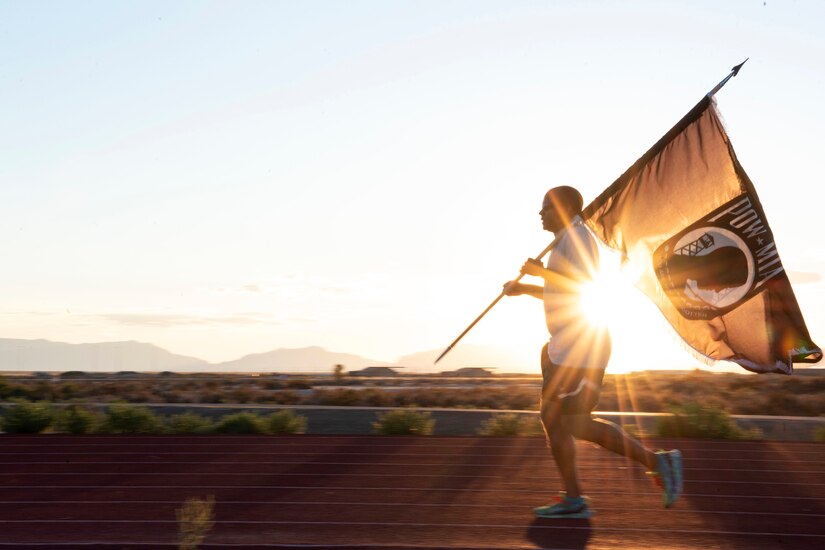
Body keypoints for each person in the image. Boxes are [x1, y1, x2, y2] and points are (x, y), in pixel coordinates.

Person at [503, 186, 683, 519]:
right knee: (555, 421)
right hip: (564, 347)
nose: (540, 214)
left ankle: (658, 462)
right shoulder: (565, 241)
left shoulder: (578, 237)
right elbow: (562, 291)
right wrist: (524, 288)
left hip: (581, 347)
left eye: (545, 208)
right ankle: (574, 499)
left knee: (575, 423)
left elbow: (583, 287)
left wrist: (537, 273)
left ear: (565, 207)